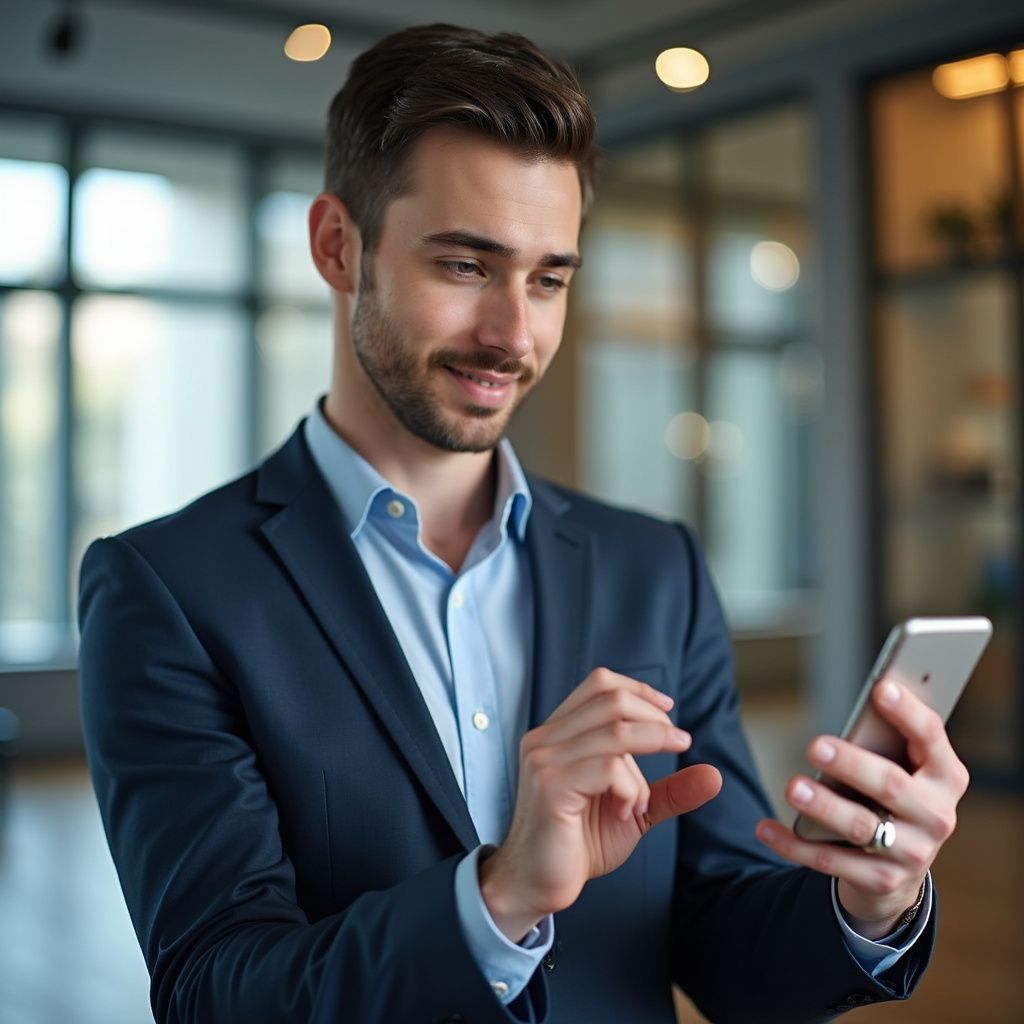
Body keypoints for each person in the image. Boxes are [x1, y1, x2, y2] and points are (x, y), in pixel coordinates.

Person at [78, 23, 968, 1024]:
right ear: (338, 245)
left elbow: (724, 944)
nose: (514, 333)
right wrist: (495, 897)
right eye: (465, 266)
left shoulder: (653, 566)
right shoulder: (168, 587)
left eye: (548, 278)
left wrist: (868, 896)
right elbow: (214, 992)